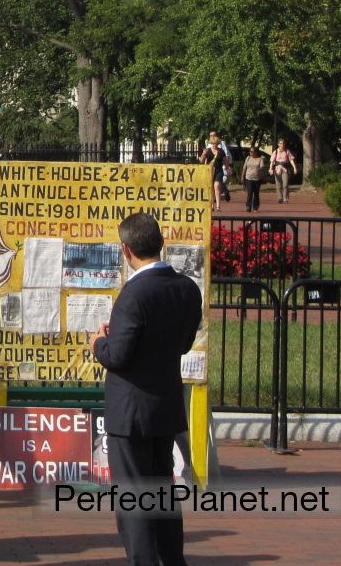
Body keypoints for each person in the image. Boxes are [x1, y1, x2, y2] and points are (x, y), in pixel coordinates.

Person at [91, 213, 203, 566]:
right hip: (164, 406)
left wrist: (98, 344)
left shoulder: (133, 294)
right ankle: (172, 559)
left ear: (126, 249)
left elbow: (119, 355)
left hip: (130, 412)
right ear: (159, 242)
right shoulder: (186, 288)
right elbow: (183, 343)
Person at [197, 134, 226, 212]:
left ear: (218, 144)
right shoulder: (208, 151)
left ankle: (218, 206)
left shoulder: (221, 151)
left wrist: (227, 167)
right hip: (209, 171)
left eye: (215, 144)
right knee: (211, 189)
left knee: (217, 186)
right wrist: (203, 154)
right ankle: (212, 205)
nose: (214, 145)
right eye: (212, 143)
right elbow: (201, 162)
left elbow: (225, 161)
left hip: (218, 170)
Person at [241, 147, 266, 213]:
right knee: (249, 193)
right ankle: (248, 206)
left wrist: (260, 171)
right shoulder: (248, 158)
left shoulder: (260, 159)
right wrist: (242, 176)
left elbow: (262, 168)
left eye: (252, 152)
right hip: (248, 177)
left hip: (257, 178)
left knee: (256, 193)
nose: (250, 153)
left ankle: (255, 207)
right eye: (250, 151)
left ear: (256, 152)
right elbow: (244, 167)